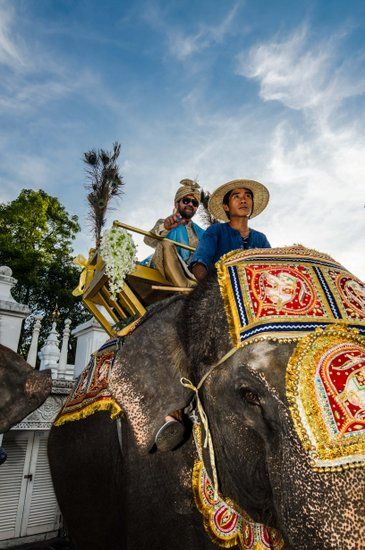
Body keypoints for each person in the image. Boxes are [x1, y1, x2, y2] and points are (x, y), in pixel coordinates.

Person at [190, 179, 271, 281]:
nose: (243, 200)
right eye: (236, 196)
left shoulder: (261, 238)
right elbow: (200, 263)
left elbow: (271, 268)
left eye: (248, 196)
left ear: (252, 204)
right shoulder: (215, 231)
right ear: (226, 207)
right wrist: (210, 288)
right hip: (220, 288)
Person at [144, 179, 205, 288]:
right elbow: (148, 240)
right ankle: (187, 288)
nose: (191, 204)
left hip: (192, 271)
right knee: (166, 244)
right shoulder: (164, 222)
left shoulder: (202, 232)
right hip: (165, 265)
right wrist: (166, 227)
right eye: (186, 201)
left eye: (195, 203)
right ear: (176, 203)